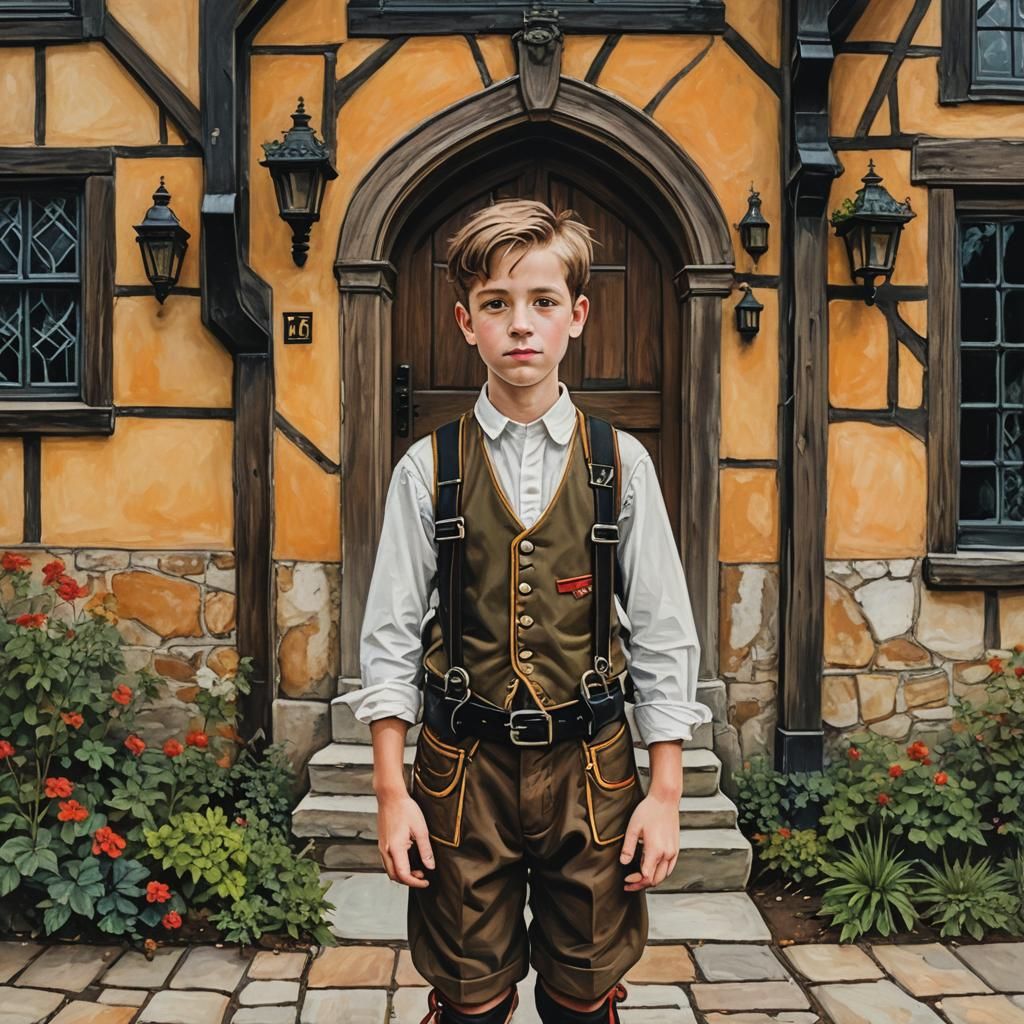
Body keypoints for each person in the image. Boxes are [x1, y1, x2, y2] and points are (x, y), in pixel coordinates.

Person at [338, 198, 712, 1024]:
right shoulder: (425, 469)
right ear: (465, 320)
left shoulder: (622, 464)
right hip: (461, 770)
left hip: (594, 772)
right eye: (497, 304)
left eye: (542, 302)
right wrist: (392, 792)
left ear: (576, 316)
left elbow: (663, 634)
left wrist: (666, 792)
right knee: (469, 996)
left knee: (584, 992)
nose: (521, 325)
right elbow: (390, 640)